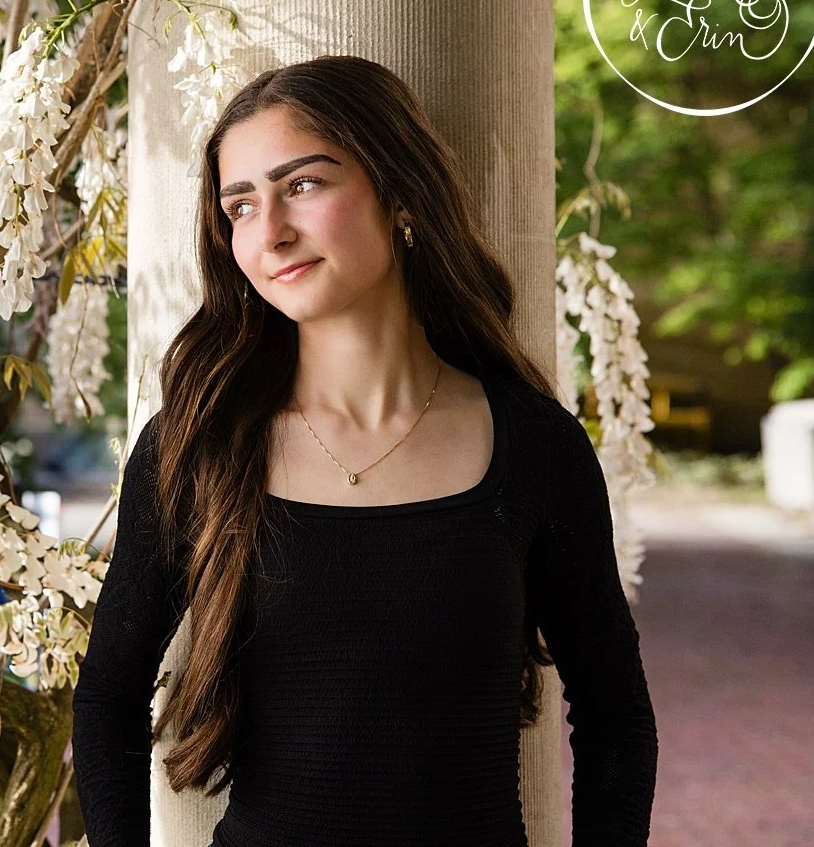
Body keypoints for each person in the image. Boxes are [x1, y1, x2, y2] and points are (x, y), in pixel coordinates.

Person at [69, 56, 658, 847]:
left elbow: (615, 711)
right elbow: (108, 695)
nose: (269, 229)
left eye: (303, 185)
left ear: (400, 191)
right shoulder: (199, 446)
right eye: (240, 205)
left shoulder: (536, 446)